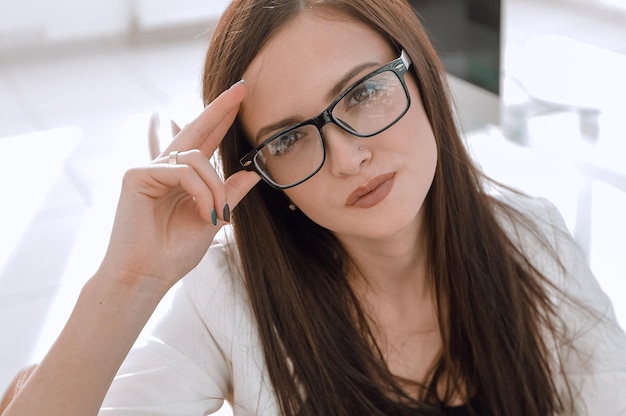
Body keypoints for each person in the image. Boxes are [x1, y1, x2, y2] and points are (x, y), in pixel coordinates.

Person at [2, 0, 626, 415]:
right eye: (290, 137)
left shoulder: (534, 239)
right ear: (262, 171)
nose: (349, 157)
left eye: (363, 93)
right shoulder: (231, 296)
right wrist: (129, 280)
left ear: (422, 77)